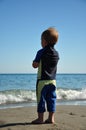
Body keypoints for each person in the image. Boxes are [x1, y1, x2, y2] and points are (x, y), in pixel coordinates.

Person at [32, 27, 59, 124]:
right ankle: (51, 118)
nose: (40, 42)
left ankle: (40, 119)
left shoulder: (41, 52)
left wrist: (34, 62)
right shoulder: (56, 53)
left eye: (41, 40)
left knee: (41, 100)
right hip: (53, 81)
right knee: (52, 99)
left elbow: (35, 65)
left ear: (45, 41)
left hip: (42, 81)